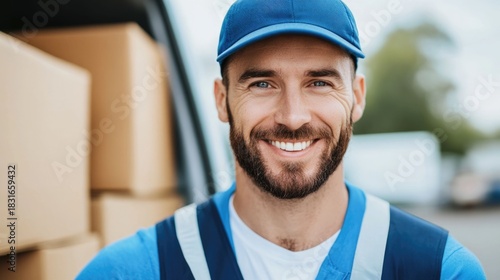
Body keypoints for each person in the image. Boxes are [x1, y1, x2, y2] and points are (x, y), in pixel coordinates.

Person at [77, 0, 486, 279]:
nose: (292, 117)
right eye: (262, 83)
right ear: (222, 101)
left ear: (356, 97)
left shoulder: (438, 269)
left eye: (320, 82)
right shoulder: (136, 270)